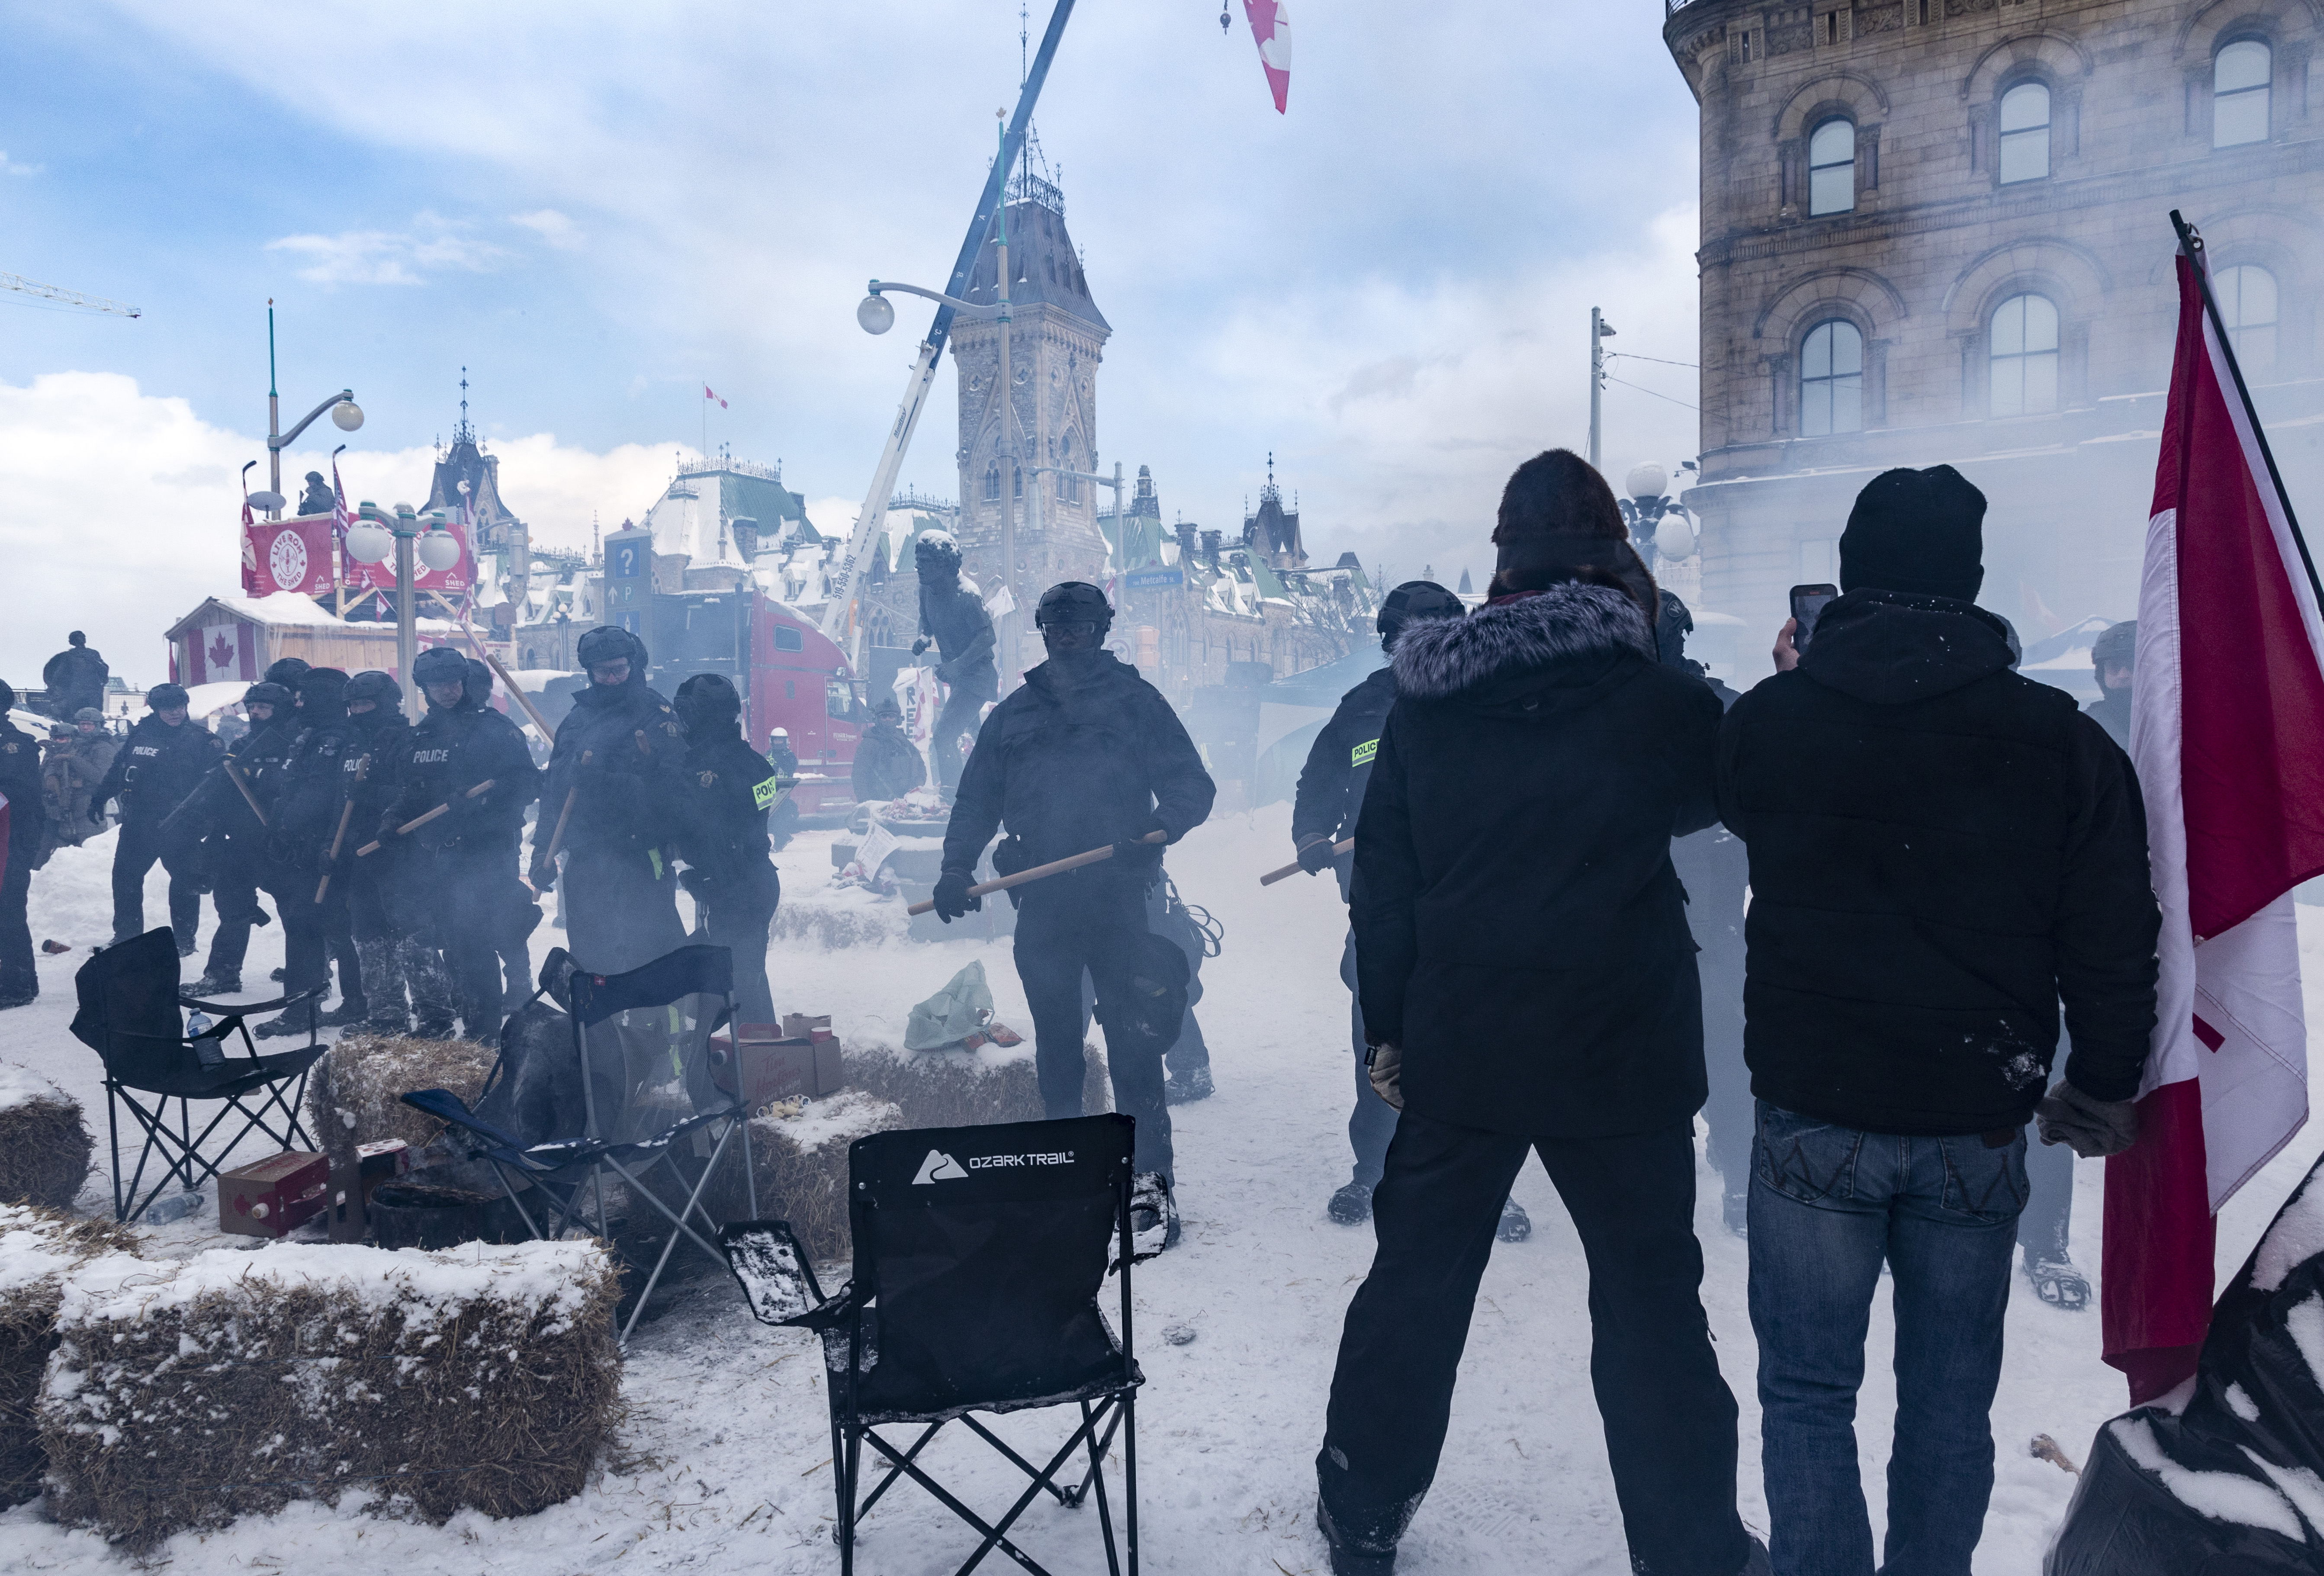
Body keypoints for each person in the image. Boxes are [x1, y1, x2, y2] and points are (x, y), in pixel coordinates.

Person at [1314, 450, 1753, 1576]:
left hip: (1465, 1042)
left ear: (1499, 564)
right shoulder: (1659, 701)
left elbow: (1387, 887)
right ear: (1615, 560)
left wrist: (1386, 1034)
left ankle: (1363, 1512)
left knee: (1414, 1290)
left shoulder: (1424, 709)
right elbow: (1729, 797)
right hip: (1624, 1052)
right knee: (1653, 1308)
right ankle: (1689, 1546)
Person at [1717, 465, 2160, 1576]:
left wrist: (1800, 681)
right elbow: (2112, 931)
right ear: (1970, 583)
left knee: (1809, 1394)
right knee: (1949, 1404)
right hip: (1977, 1113)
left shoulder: (1777, 719)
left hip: (1815, 1107)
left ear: (1852, 577)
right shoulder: (2059, 739)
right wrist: (2103, 1083)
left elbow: (1731, 806)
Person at [936, 581, 1215, 1249]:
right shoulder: (1013, 715)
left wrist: (1156, 827)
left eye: (1081, 627)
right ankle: (1066, 1177)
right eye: (1056, 628)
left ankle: (1149, 1186)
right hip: (1045, 907)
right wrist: (954, 867)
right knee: (1058, 1049)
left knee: (1133, 1044)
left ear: (1101, 629)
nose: (1068, 637)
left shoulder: (1136, 702)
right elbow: (975, 801)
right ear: (1043, 632)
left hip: (1121, 901)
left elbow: (1190, 785)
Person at [1289, 579, 1500, 1233]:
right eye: (1407, 636)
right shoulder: (1361, 708)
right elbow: (1318, 779)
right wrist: (1309, 834)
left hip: (1468, 911)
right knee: (1379, 1040)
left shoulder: (1488, 705)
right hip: (1379, 912)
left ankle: (1488, 1180)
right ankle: (1373, 1170)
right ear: (1387, 640)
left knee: (1473, 1046)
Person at [1659, 591, 1753, 1236]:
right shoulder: (1725, 704)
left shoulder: (1723, 706)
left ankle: (1739, 1172)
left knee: (1722, 1048)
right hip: (1659, 911)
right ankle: (1730, 1169)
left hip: (1706, 909)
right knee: (1717, 1047)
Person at [385, 648, 539, 1042]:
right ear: (424, 690)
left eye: (454, 683)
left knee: (478, 940)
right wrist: (393, 818)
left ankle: (486, 1030)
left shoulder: (494, 729)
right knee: (455, 943)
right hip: (438, 857)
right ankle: (474, 1023)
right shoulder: (418, 738)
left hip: (487, 853)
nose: (448, 692)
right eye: (438, 685)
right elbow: (410, 792)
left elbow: (527, 783)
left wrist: (484, 801)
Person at [538, 625, 688, 976]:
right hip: (586, 860)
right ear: (589, 671)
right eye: (602, 671)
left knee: (646, 958)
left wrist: (607, 784)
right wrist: (541, 853)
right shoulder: (576, 721)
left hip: (638, 857)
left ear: (633, 666)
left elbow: (673, 791)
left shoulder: (656, 715)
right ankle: (604, 1032)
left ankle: (653, 1031)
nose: (611, 679)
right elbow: (555, 793)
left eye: (619, 669)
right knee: (593, 961)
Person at [673, 672, 783, 1025]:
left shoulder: (696, 770)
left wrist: (705, 878)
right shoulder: (758, 765)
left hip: (736, 889)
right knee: (749, 976)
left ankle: (752, 1066)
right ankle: (764, 1056)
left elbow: (711, 832)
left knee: (738, 988)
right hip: (757, 882)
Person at [93, 682, 222, 955]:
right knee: (125, 878)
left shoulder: (202, 740)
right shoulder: (141, 734)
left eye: (179, 707)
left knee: (184, 883)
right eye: (167, 708)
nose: (175, 713)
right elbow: (120, 768)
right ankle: (127, 935)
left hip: (180, 825)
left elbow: (217, 787)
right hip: (139, 823)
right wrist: (100, 797)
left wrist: (205, 821)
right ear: (156, 709)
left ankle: (184, 941)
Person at [186, 682, 288, 996]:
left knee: (296, 909)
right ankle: (223, 974)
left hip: (279, 841)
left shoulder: (293, 745)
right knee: (232, 907)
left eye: (264, 708)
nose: (256, 713)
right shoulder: (243, 743)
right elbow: (223, 786)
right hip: (239, 840)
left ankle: (313, 968)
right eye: (252, 707)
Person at [334, 670, 415, 1030]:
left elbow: (415, 795)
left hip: (397, 850)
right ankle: (385, 1012)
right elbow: (339, 798)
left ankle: (436, 1012)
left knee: (411, 935)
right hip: (357, 850)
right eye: (352, 705)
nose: (358, 710)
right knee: (367, 933)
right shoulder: (350, 745)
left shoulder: (406, 741)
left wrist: (375, 796)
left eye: (365, 703)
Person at [911, 531, 997, 794]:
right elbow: (926, 621)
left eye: (924, 562)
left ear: (943, 565)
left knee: (944, 737)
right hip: (958, 678)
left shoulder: (967, 595)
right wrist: (924, 638)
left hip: (977, 678)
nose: (918, 567)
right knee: (980, 741)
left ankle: (954, 793)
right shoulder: (926, 590)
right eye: (918, 560)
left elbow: (988, 636)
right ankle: (987, 786)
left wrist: (958, 665)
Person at [0, 685, 48, 1006]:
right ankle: (22, 980)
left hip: (11, 839)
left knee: (8, 910)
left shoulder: (16, 746)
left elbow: (20, 795)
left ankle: (18, 986)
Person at [42, 708, 116, 851]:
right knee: (63, 853)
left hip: (89, 804)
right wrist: (50, 776)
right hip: (67, 803)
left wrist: (72, 760)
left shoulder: (103, 748)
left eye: (90, 724)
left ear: (99, 725)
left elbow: (100, 777)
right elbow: (54, 759)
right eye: (82, 724)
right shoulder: (77, 743)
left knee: (92, 848)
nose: (85, 727)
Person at [850, 697, 925, 803]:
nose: (888, 719)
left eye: (892, 716)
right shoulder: (869, 744)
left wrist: (916, 789)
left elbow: (920, 767)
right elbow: (859, 776)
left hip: (906, 804)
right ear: (877, 719)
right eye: (884, 716)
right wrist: (866, 803)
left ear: (898, 719)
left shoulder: (905, 744)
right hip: (879, 805)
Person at [2085, 618, 2134, 749]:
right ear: (2102, 674)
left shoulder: (2174, 720)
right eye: (2115, 666)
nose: (2123, 675)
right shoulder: (2084, 727)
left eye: (2132, 665)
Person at [41, 631, 108, 722]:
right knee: (75, 715)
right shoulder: (69, 656)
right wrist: (52, 686)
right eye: (80, 637)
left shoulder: (93, 654)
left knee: (95, 714)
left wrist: (94, 662)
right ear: (74, 640)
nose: (83, 638)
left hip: (93, 691)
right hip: (77, 691)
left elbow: (104, 668)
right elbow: (60, 672)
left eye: (84, 636)